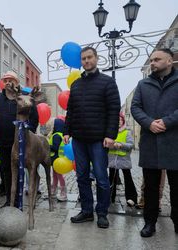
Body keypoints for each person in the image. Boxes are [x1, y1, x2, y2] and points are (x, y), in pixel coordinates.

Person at [64, 47, 121, 229]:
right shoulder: (76, 85)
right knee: (81, 177)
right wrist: (67, 131)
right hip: (79, 139)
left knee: (101, 178)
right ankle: (87, 211)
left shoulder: (107, 82)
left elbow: (114, 110)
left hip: (98, 140)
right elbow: (70, 111)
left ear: (96, 58)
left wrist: (110, 135)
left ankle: (102, 213)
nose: (86, 61)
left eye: (89, 57)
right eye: (83, 59)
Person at [131, 48, 178, 237]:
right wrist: (149, 122)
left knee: (176, 186)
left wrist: (166, 122)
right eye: (151, 60)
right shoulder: (143, 84)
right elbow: (135, 107)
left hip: (174, 141)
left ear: (169, 61)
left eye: (157, 59)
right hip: (150, 141)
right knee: (150, 186)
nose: (153, 63)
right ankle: (149, 222)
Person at [0, 71, 39, 207]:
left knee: (21, 170)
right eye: (5, 80)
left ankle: (20, 200)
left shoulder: (24, 97)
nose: (7, 82)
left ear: (17, 82)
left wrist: (28, 134)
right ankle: (9, 200)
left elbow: (34, 118)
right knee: (6, 170)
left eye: (10, 80)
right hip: (3, 141)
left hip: (21, 142)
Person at [108, 113, 138, 206]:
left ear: (123, 121)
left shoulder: (127, 132)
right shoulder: (110, 132)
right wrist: (111, 145)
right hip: (113, 159)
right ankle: (109, 197)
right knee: (111, 178)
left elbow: (131, 145)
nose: (118, 122)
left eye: (120, 120)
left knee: (127, 178)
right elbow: (106, 144)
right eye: (117, 120)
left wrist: (121, 144)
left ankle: (131, 198)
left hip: (124, 159)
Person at [49, 118, 67, 201]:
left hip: (56, 159)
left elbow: (55, 147)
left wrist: (48, 147)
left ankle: (63, 192)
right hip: (58, 159)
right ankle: (53, 190)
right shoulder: (61, 134)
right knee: (55, 176)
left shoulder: (56, 135)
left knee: (58, 176)